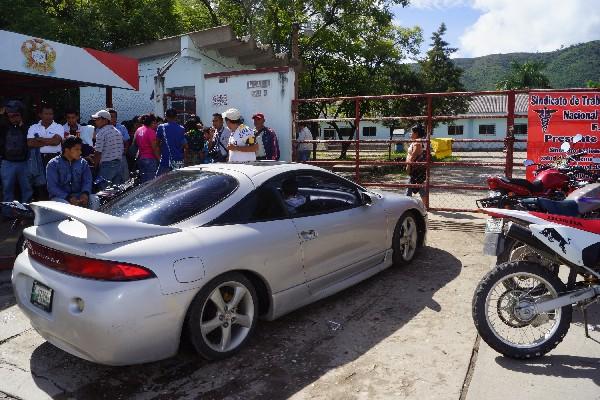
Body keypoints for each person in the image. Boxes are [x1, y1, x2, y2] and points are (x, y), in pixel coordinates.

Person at [46, 136, 99, 210]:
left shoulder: (83, 163)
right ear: (67, 150)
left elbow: (87, 181)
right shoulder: (53, 164)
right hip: (61, 198)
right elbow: (52, 187)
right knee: (67, 207)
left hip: (79, 196)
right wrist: (68, 198)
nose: (80, 152)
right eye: (77, 149)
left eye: (80, 149)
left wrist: (85, 193)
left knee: (94, 199)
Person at [0, 100, 33, 207]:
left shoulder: (27, 127)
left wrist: (21, 125)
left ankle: (26, 212)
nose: (13, 117)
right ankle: (7, 213)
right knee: (7, 189)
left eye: (16, 115)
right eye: (10, 115)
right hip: (7, 162)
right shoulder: (3, 127)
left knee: (27, 189)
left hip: (24, 162)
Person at [27, 104, 62, 200]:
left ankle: (55, 206)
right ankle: (42, 206)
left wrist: (39, 139)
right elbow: (30, 143)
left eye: (51, 114)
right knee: (40, 184)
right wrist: (49, 140)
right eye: (46, 114)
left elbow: (56, 142)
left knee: (54, 183)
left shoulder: (58, 127)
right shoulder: (33, 127)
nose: (49, 116)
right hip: (38, 158)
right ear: (40, 115)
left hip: (54, 158)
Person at [92, 109, 124, 188]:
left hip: (107, 166)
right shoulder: (117, 132)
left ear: (105, 120)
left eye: (98, 119)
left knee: (103, 190)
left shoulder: (101, 133)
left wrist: (95, 167)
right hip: (119, 164)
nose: (95, 121)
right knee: (116, 191)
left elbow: (98, 152)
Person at [156, 108, 187, 176]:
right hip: (178, 160)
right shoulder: (181, 128)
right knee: (177, 182)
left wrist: (159, 157)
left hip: (165, 160)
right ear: (176, 117)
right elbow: (185, 146)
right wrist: (184, 158)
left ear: (166, 116)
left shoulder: (161, 127)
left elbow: (156, 144)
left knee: (161, 183)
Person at [135, 114, 160, 183]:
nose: (156, 125)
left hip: (141, 159)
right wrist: (159, 159)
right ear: (151, 123)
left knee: (144, 182)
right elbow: (154, 148)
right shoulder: (151, 132)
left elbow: (135, 143)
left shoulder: (138, 130)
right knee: (151, 183)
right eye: (154, 123)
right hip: (150, 159)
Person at [107, 108, 130, 182]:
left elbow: (127, 141)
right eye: (111, 116)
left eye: (114, 117)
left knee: (125, 177)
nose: (113, 119)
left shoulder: (121, 128)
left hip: (121, 156)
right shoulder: (102, 128)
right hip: (108, 158)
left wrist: (125, 150)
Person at [405, 124, 427, 197]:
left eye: (412, 132)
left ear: (416, 133)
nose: (410, 134)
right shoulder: (420, 140)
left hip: (415, 169)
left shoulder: (417, 142)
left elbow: (414, 154)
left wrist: (408, 165)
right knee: (419, 187)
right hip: (418, 169)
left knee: (411, 187)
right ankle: (426, 206)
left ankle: (407, 204)